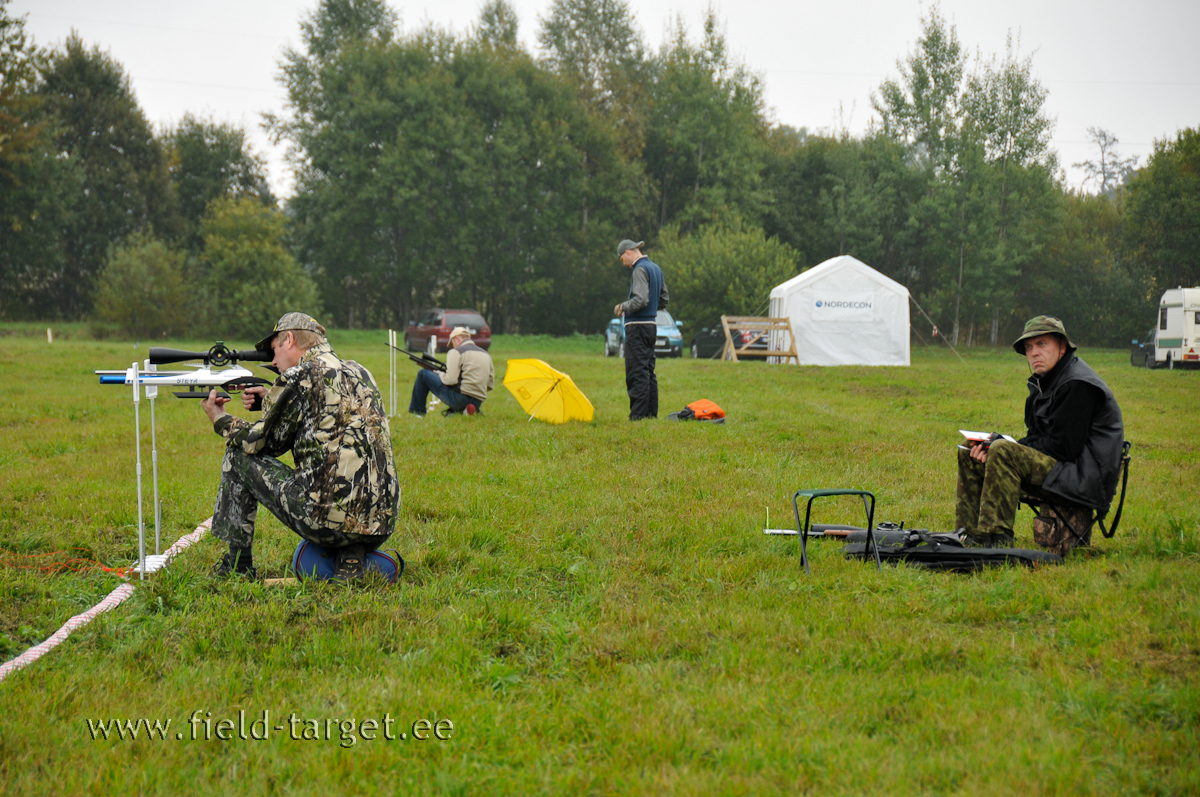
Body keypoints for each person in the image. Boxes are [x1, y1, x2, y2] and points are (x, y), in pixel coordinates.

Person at [200, 312, 399, 579]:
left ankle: (237, 567)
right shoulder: (359, 371)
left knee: (237, 455)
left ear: (290, 339)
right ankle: (350, 554)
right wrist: (272, 403)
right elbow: (324, 419)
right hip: (381, 523)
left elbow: (260, 444)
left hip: (326, 523)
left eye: (274, 350)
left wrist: (219, 417)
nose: (273, 361)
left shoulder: (300, 374)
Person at [956, 316, 1125, 551]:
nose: (1034, 353)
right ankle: (968, 534)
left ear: (1062, 346)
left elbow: (1064, 448)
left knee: (1002, 450)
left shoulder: (1078, 384)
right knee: (970, 448)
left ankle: (995, 540)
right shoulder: (1046, 382)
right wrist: (996, 443)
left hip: (1083, 478)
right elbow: (1039, 438)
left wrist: (1006, 446)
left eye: (1042, 344)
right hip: (1063, 469)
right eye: (1029, 347)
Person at [614, 239, 669, 421]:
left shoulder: (639, 269)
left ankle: (637, 416)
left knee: (636, 371)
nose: (624, 264)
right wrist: (650, 310)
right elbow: (664, 299)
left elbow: (640, 300)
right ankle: (651, 414)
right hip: (651, 326)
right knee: (648, 370)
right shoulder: (656, 269)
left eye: (622, 259)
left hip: (636, 327)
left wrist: (623, 307)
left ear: (628, 252)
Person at [408, 326, 494, 416]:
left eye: (452, 343)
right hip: (478, 401)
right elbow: (490, 384)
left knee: (423, 374)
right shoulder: (486, 354)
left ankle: (417, 412)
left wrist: (440, 374)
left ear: (457, 339)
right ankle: (466, 410)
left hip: (459, 399)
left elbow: (450, 380)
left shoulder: (456, 352)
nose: (453, 346)